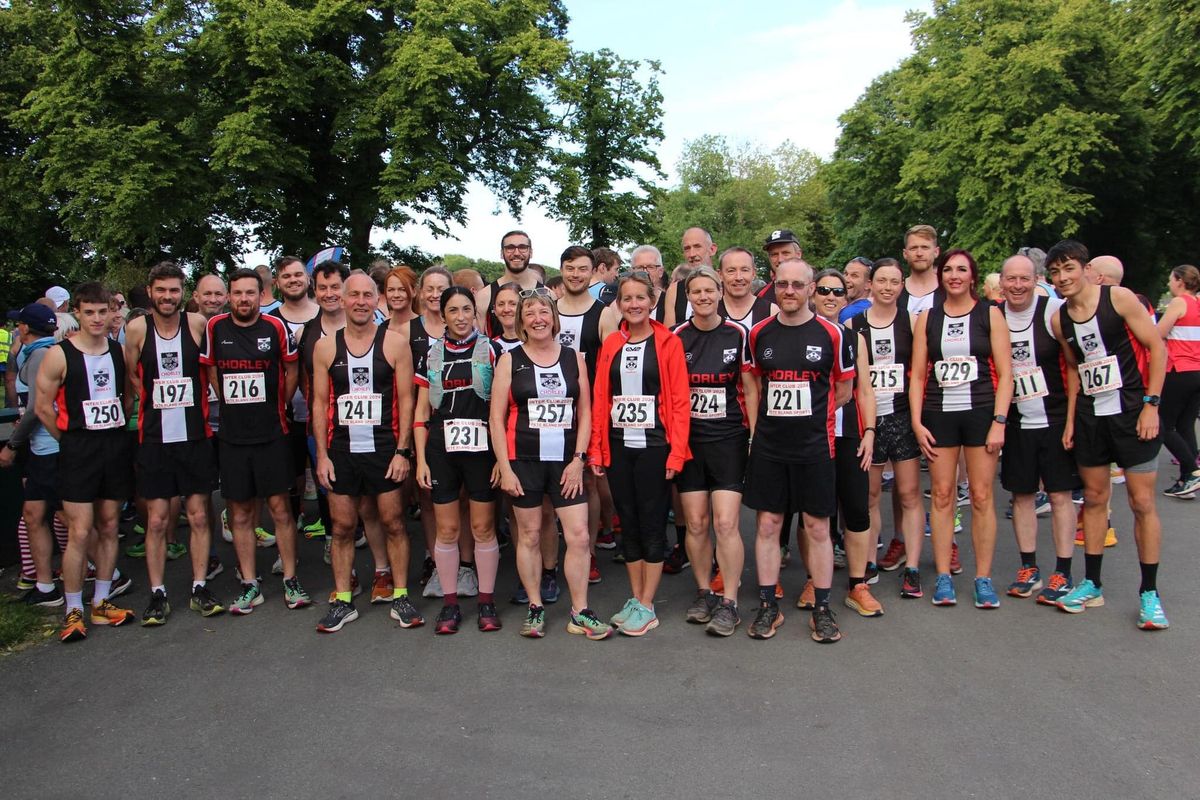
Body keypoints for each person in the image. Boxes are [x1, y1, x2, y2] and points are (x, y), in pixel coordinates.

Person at [1047, 240, 1168, 629]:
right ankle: (1092, 584)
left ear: (1085, 268)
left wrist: (1152, 403)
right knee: (1095, 498)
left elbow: (1157, 347)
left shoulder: (1118, 298)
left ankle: (1150, 594)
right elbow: (1073, 370)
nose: (1063, 278)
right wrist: (1069, 421)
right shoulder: (1059, 319)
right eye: (1055, 272)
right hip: (1090, 417)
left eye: (1069, 269)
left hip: (1133, 413)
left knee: (1141, 502)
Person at [490, 289, 611, 640]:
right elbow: (496, 419)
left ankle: (580, 611)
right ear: (521, 321)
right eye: (530, 313)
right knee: (527, 535)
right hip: (523, 460)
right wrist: (505, 466)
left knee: (578, 536)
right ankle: (534, 606)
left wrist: (579, 459)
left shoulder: (575, 358)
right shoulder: (510, 360)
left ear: (554, 318)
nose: (538, 318)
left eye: (544, 311)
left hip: (565, 464)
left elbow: (585, 410)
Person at [744, 258, 853, 643]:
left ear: (811, 288)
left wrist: (814, 420)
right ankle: (767, 605)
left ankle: (822, 608)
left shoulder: (833, 334)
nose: (789, 291)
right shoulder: (758, 333)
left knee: (817, 526)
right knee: (768, 525)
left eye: (797, 285)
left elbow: (843, 389)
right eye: (782, 284)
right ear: (774, 286)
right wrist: (759, 432)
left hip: (814, 448)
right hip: (770, 447)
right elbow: (754, 383)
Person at [310, 273, 418, 632]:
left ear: (378, 301)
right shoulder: (326, 347)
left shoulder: (396, 343)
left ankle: (400, 594)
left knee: (393, 522)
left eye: (367, 295)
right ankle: (343, 600)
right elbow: (319, 403)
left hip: (384, 448)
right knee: (341, 527)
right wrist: (322, 457)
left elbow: (407, 400)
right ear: (341, 300)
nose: (359, 301)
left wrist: (403, 451)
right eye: (352, 295)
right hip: (342, 450)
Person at [201, 268, 311, 614]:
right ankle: (250, 583)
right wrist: (226, 399)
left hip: (272, 433)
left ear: (260, 295)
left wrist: (280, 402)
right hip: (233, 437)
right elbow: (211, 368)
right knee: (241, 512)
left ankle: (291, 578)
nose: (244, 299)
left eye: (251, 293)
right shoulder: (215, 328)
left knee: (280, 508)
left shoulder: (274, 326)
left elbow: (292, 368)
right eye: (238, 293)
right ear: (229, 296)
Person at [589, 272, 691, 636]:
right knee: (628, 523)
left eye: (640, 298)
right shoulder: (612, 343)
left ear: (652, 302)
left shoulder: (668, 342)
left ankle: (648, 604)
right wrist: (597, 450)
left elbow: (680, 402)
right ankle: (635, 598)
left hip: (654, 447)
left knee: (651, 524)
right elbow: (602, 399)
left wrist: (676, 454)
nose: (634, 304)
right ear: (619, 304)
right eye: (627, 299)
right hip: (618, 446)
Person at [34, 282, 137, 642]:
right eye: (89, 312)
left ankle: (102, 600)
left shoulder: (118, 352)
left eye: (103, 311)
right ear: (76, 312)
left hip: (113, 445)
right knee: (80, 531)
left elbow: (127, 399)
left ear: (113, 312)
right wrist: (71, 439)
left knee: (109, 526)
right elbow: (43, 407)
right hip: (79, 449)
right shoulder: (58, 354)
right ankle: (72, 608)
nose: (97, 318)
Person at [910, 249, 1012, 608]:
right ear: (941, 276)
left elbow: (1006, 372)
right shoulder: (928, 318)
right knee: (941, 495)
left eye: (962, 270)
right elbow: (919, 374)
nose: (954, 275)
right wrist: (917, 422)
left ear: (973, 276)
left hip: (981, 413)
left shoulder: (990, 314)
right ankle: (942, 576)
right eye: (948, 270)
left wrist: (1000, 421)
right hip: (939, 414)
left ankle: (983, 578)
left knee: (982, 496)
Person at [123, 262, 223, 624]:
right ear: (150, 291)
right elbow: (132, 377)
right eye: (161, 290)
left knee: (198, 514)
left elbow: (211, 373)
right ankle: (157, 592)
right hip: (155, 438)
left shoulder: (197, 325)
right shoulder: (135, 329)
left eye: (174, 290)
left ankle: (199, 585)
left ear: (184, 293)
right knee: (157, 520)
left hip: (195, 436)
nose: (168, 297)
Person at [673, 267, 757, 636]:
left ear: (720, 292)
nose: (703, 297)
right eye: (696, 292)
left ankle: (731, 600)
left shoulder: (739, 334)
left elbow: (752, 389)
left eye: (709, 290)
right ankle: (704, 591)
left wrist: (756, 436)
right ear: (688, 296)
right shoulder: (677, 336)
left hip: (728, 440)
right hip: (690, 443)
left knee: (725, 523)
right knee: (696, 523)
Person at [414, 286, 503, 634]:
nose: (461, 317)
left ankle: (485, 600)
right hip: (442, 448)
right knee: (448, 529)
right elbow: (422, 411)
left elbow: (501, 409)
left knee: (482, 527)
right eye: (453, 310)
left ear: (475, 313)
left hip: (482, 449)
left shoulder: (492, 350)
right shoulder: (431, 354)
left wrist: (501, 457)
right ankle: (450, 604)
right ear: (443, 314)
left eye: (467, 309)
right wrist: (420, 459)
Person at [997, 253, 1081, 605]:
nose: (1017, 285)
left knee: (1060, 494)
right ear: (1001, 282)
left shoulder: (1053, 312)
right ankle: (1028, 567)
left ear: (1036, 280)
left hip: (1056, 416)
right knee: (1022, 495)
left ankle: (1063, 570)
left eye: (1024, 279)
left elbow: (1076, 367)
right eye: (1011, 279)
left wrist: (1074, 419)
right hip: (1015, 421)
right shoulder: (994, 315)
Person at [851, 260, 926, 597]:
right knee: (869, 495)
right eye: (881, 280)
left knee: (909, 494)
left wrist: (917, 419)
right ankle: (868, 559)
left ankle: (912, 566)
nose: (887, 287)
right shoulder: (853, 324)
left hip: (900, 416)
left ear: (902, 286)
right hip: (868, 418)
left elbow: (921, 372)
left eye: (894, 281)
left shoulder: (912, 322)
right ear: (870, 284)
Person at [812, 270, 880, 617]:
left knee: (856, 508)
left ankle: (858, 583)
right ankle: (814, 578)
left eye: (837, 291)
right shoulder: (801, 335)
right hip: (812, 436)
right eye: (823, 290)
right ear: (814, 294)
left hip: (850, 432)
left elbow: (865, 389)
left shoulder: (856, 340)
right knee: (814, 512)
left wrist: (869, 431)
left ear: (846, 298)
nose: (830, 296)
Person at [555, 246, 620, 569]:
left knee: (591, 480)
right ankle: (559, 548)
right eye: (570, 268)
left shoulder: (604, 313)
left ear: (592, 271)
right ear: (562, 270)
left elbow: (609, 365)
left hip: (590, 408)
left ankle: (590, 549)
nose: (575, 274)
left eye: (582, 269)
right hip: (551, 408)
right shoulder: (549, 310)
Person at [1, 304, 61, 605]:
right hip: (42, 449)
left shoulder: (40, 355)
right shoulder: (36, 353)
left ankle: (104, 574)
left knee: (68, 518)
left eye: (19, 325)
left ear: (25, 328)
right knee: (33, 514)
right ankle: (45, 586)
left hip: (52, 449)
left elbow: (39, 408)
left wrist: (12, 444)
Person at [269, 256, 321, 533]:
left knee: (324, 474)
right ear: (277, 282)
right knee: (292, 474)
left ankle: (331, 531)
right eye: (286, 276)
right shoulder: (269, 320)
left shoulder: (323, 315)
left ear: (308, 278)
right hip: (284, 412)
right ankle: (293, 521)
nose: (293, 280)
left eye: (298, 274)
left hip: (321, 411)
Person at [1155, 264, 1200, 498]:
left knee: (1162, 424)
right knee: (1185, 425)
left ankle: (1192, 471)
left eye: (1171, 279)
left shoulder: (1178, 302)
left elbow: (1158, 333)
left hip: (1179, 369)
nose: (1168, 283)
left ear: (1180, 281)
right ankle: (1186, 481)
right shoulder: (1198, 303)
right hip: (1197, 370)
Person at [477, 231, 541, 337]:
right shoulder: (484, 296)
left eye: (522, 247)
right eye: (510, 248)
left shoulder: (547, 294)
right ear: (502, 253)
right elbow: (479, 341)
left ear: (531, 252)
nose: (516, 253)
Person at [664, 227, 717, 327]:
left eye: (697, 247)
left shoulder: (726, 285)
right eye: (687, 249)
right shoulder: (674, 290)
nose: (692, 254)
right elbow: (669, 335)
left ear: (712, 249)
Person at [717, 247, 777, 330]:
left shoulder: (771, 311)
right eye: (731, 271)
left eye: (744, 270)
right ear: (720, 275)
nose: (738, 277)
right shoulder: (711, 311)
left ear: (753, 273)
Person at [901, 224, 940, 316]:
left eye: (925, 247)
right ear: (905, 254)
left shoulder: (948, 289)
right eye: (913, 248)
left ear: (936, 252)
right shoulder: (895, 291)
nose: (919, 253)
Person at [758, 229, 803, 305]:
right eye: (774, 254)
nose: (780, 259)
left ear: (798, 254)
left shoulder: (819, 290)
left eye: (785, 253)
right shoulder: (760, 296)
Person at [629, 245, 670, 323]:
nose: (645, 272)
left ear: (660, 272)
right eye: (640, 267)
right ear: (631, 271)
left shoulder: (670, 302)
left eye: (651, 267)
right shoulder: (622, 303)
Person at [840, 257, 873, 322]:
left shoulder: (850, 313)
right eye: (845, 274)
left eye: (854, 275)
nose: (846, 279)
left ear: (868, 284)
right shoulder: (876, 307)